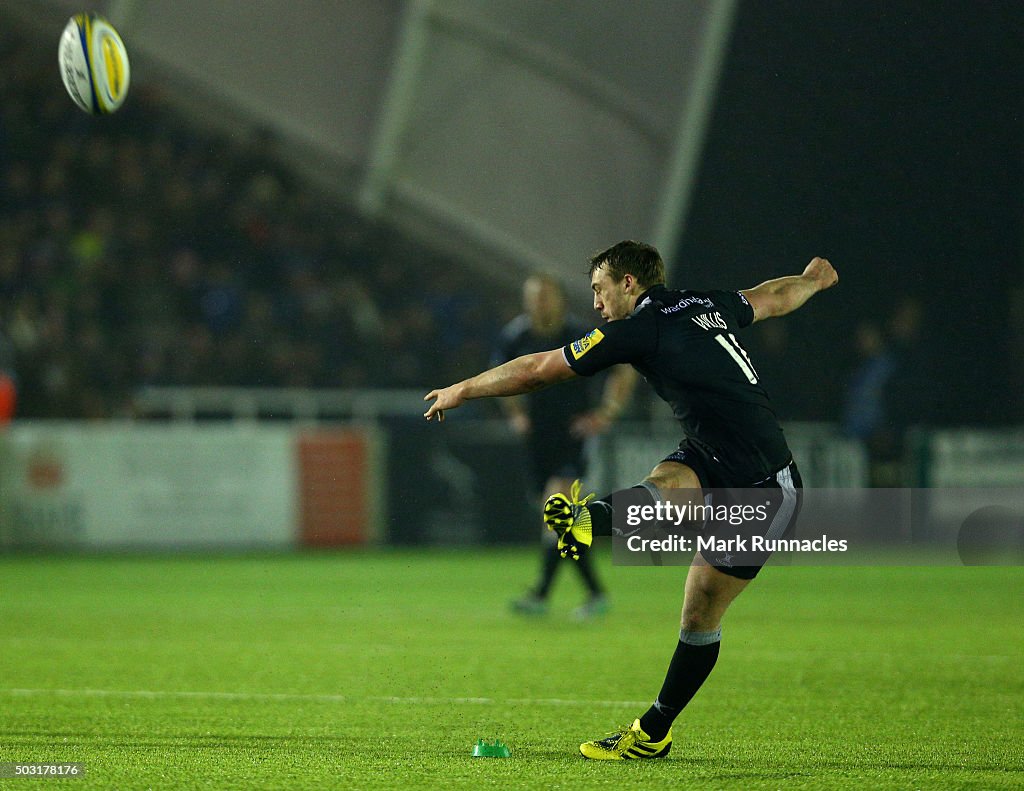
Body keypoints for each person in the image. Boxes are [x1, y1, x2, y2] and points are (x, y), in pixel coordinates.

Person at [425, 240, 837, 760]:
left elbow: (538, 369)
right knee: (666, 483)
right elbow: (773, 296)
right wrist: (814, 280)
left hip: (762, 485)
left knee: (700, 612)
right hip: (709, 457)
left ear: (627, 283)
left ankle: (654, 730)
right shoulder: (704, 303)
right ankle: (588, 520)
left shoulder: (640, 327)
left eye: (599, 290)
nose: (595, 304)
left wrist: (462, 389)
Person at [493, 273, 636, 619]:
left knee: (556, 509)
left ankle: (542, 595)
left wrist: (606, 413)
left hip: (573, 437)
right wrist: (515, 414)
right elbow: (497, 375)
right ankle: (593, 593)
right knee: (559, 521)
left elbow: (623, 370)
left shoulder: (580, 336)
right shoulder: (516, 336)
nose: (539, 303)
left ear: (559, 299)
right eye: (533, 297)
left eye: (545, 296)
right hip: (537, 440)